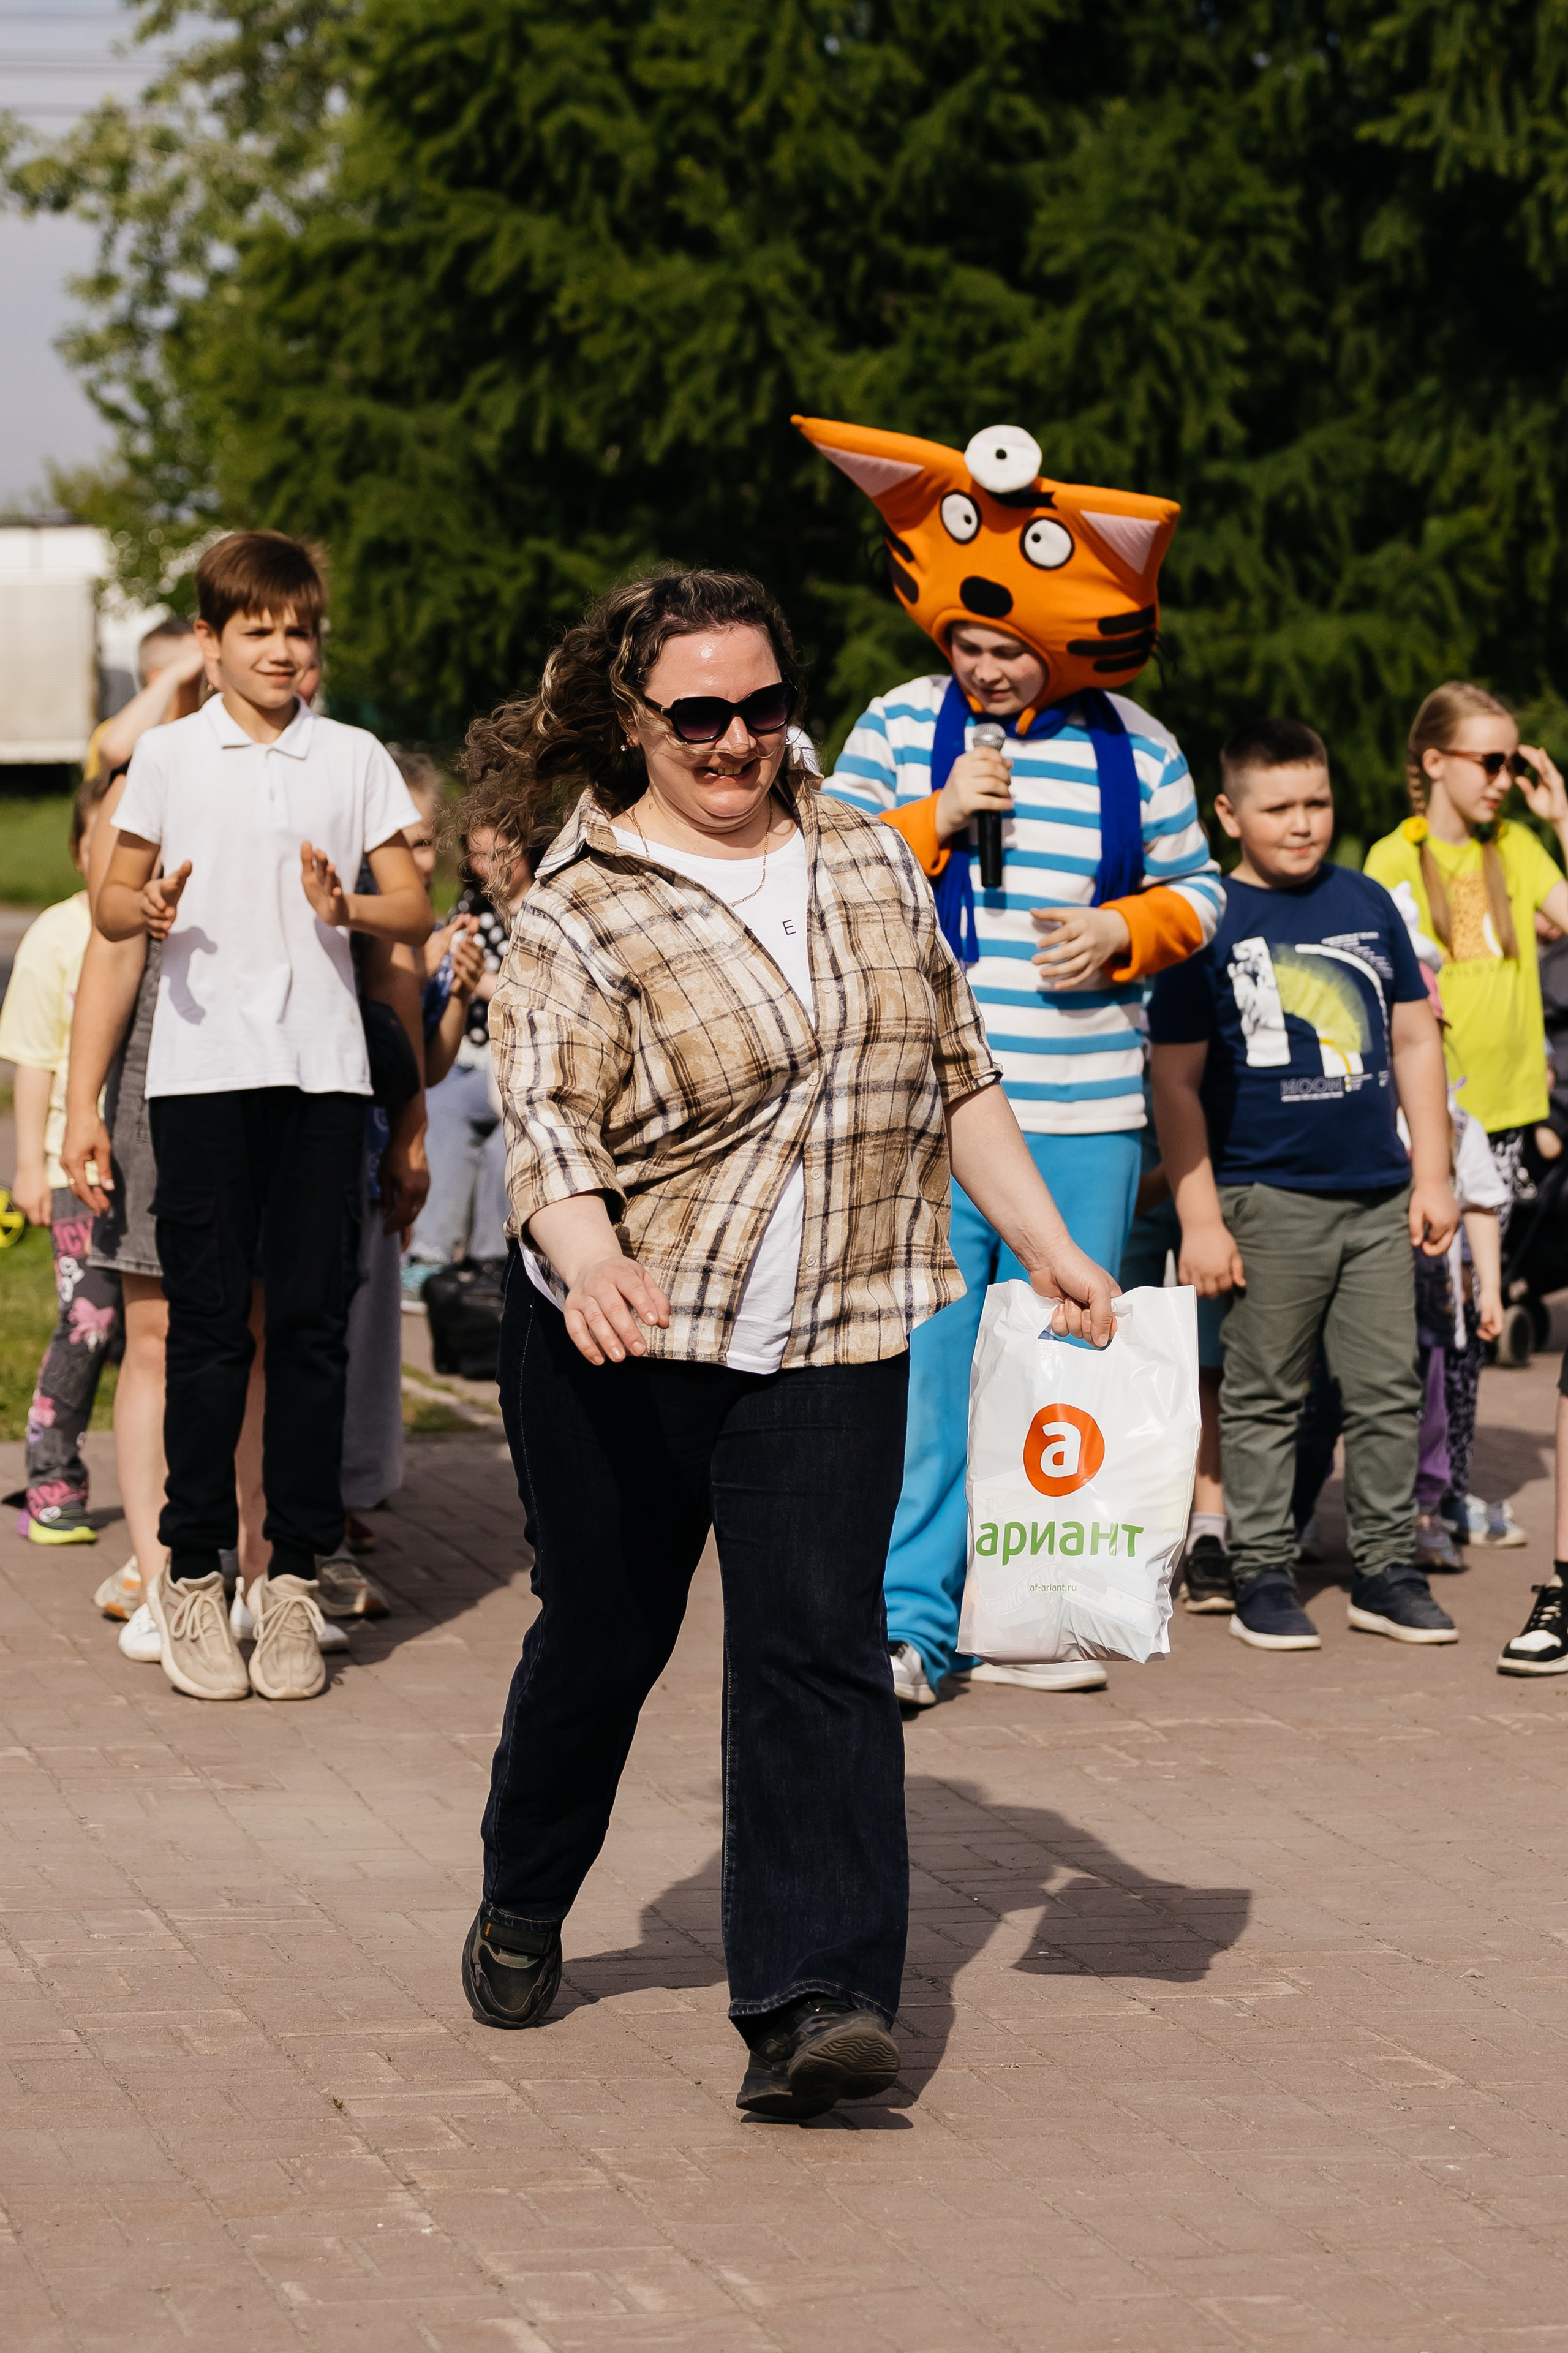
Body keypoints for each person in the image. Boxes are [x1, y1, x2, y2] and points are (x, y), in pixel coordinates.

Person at [459, 566, 1118, 2123]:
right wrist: (588, 1253)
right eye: (698, 712)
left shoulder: (864, 862)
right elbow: (544, 1122)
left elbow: (954, 1068)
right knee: (604, 1639)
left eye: (760, 704)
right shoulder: (579, 906)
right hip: (629, 1338)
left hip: (832, 1327)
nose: (736, 737)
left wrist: (1047, 1243)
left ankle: (813, 2000)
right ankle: (523, 1891)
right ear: (634, 722)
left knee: (813, 1651)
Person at [797, 411, 1222, 1703]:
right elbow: (824, 864)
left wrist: (1120, 929)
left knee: (1054, 1371)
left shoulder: (1137, 746)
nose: (985, 669)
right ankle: (914, 1626)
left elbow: (1200, 894)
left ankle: (1034, 1616)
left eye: (1008, 649)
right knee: (928, 1385)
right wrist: (938, 814)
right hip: (927, 1117)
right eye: (969, 646)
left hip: (1086, 1112)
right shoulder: (894, 723)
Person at [95, 529, 428, 1704]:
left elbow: (414, 903)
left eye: (301, 630)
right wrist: (148, 902)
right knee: (204, 1334)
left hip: (326, 1075)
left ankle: (288, 1582)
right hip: (197, 1078)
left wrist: (350, 903)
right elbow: (106, 895)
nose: (285, 650)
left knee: (310, 1332)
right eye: (259, 631)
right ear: (211, 641)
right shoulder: (174, 759)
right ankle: (189, 1575)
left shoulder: (352, 757)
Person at [1150, 717, 1460, 1650]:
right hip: (1263, 1197)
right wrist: (1199, 1217)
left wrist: (1433, 1173)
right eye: (1278, 806)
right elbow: (1173, 1078)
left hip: (1375, 1194)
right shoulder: (1203, 920)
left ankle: (1384, 1568)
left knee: (1386, 1390)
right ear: (1228, 812)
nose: (1302, 824)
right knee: (1264, 1393)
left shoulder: (1367, 903)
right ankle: (1261, 1572)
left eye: (1317, 802)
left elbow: (1414, 1037)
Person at [0, 776, 122, 1544]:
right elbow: (33, 1060)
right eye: (97, 843)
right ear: (81, 852)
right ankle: (50, 1472)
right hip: (69, 1167)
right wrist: (25, 1169)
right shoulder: (56, 933)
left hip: (149, 1163)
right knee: (88, 1321)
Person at [401, 824, 515, 1296]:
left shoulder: (548, 904)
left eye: (499, 853)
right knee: (443, 1107)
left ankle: (489, 1266)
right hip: (473, 1056)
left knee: (499, 1148)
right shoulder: (472, 908)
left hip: (517, 1059)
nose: (488, 866)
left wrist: (481, 979)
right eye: (478, 856)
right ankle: (429, 1254)